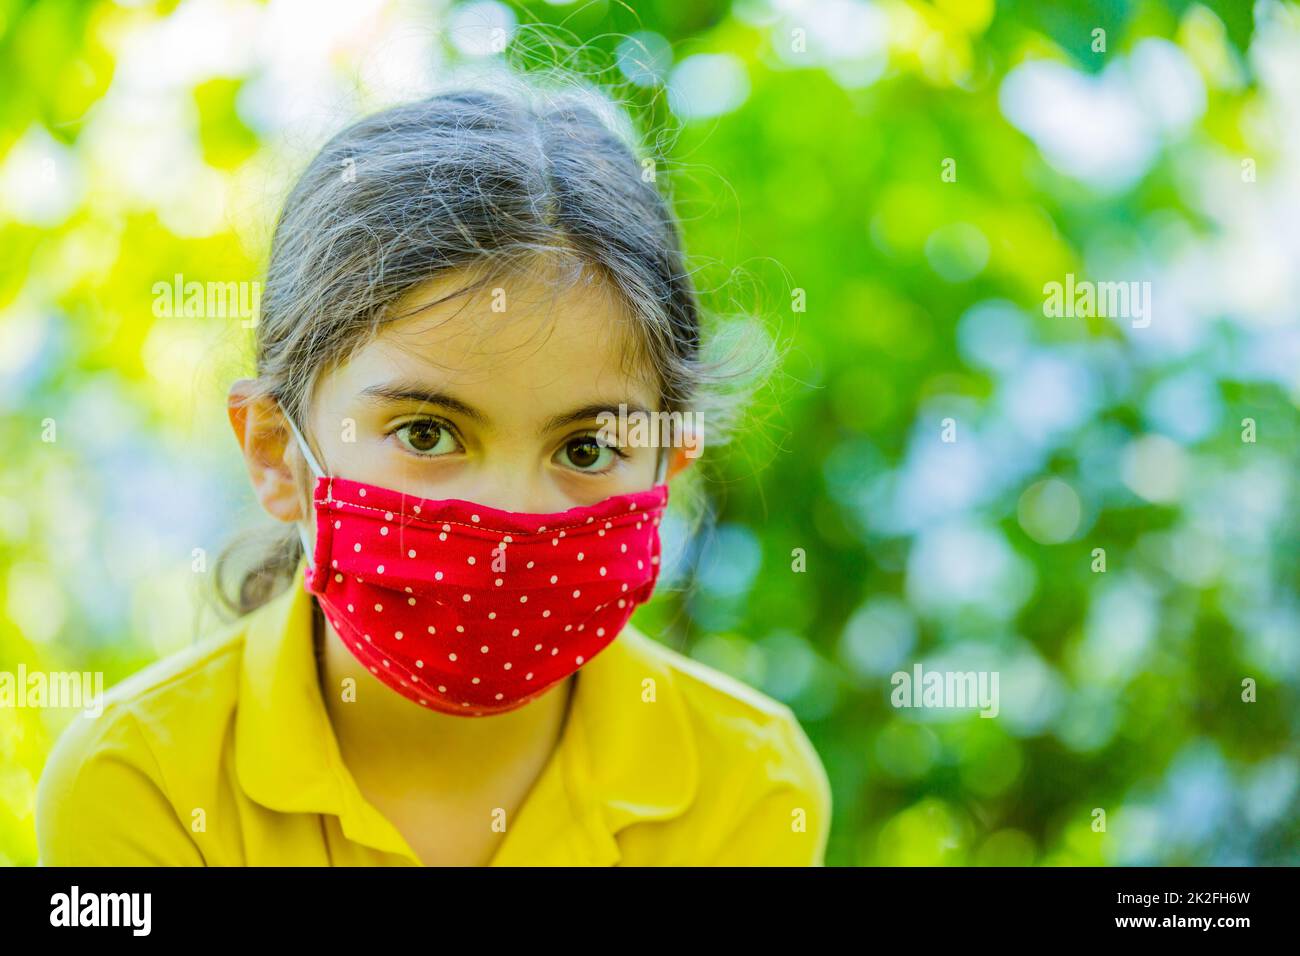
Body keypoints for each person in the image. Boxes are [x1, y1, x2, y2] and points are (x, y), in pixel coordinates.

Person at [34, 77, 832, 866]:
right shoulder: (140, 781)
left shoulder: (752, 785)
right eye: (427, 432)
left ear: (668, 466)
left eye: (584, 450)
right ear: (276, 451)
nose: (506, 516)